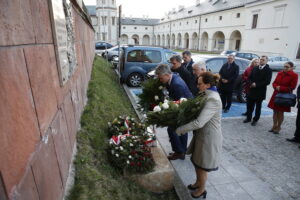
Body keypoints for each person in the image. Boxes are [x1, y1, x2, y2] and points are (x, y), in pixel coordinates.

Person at [175, 72, 222, 199]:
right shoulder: (205, 93)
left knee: (202, 165)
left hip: (208, 137)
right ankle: (197, 183)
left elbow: (199, 122)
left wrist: (180, 129)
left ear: (207, 85)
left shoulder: (213, 99)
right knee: (196, 161)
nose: (197, 86)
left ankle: (202, 189)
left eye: (200, 84)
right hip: (201, 135)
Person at [155, 64, 193, 160]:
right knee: (181, 130)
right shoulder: (173, 77)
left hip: (184, 108)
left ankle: (179, 152)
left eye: (161, 78)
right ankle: (182, 151)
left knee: (172, 130)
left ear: (167, 75)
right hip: (184, 105)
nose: (160, 80)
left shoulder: (176, 85)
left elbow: (179, 104)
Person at [268, 61, 298, 134]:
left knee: (280, 112)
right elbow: (274, 82)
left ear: (291, 68)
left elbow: (292, 87)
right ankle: (274, 125)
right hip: (276, 94)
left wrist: (281, 88)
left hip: (285, 96)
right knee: (275, 111)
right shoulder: (279, 73)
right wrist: (276, 87)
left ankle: (279, 127)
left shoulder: (294, 75)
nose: (285, 68)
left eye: (287, 67)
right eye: (284, 66)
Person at [243, 56, 272, 126]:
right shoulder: (255, 68)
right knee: (250, 106)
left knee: (258, 107)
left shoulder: (268, 70)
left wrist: (256, 84)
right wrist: (251, 83)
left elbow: (267, 81)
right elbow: (249, 78)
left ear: (266, 61)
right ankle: (248, 118)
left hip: (260, 92)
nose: (261, 61)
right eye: (261, 59)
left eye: (263, 60)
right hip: (252, 90)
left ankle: (255, 119)